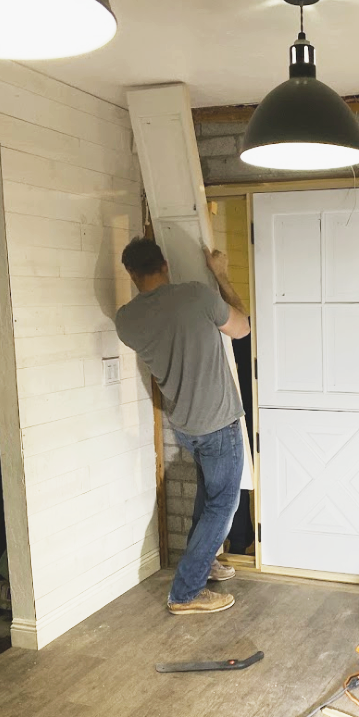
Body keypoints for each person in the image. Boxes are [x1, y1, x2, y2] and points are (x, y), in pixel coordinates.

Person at [115, 237, 250, 615]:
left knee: (208, 498)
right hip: (218, 423)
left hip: (187, 425)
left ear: (131, 273)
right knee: (223, 503)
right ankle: (186, 592)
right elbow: (241, 328)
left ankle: (203, 564)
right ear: (165, 265)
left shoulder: (126, 320)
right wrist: (221, 275)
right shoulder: (196, 296)